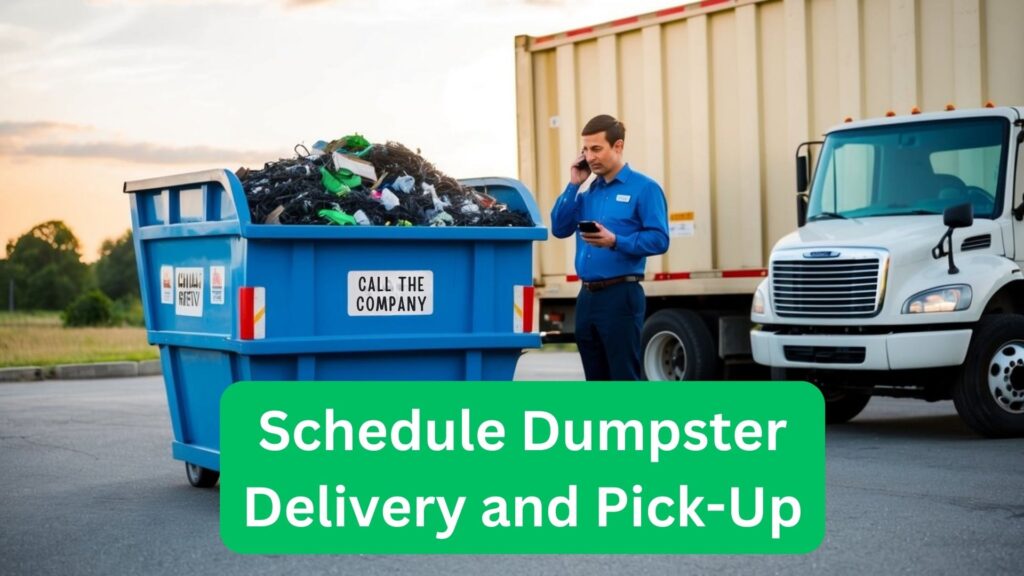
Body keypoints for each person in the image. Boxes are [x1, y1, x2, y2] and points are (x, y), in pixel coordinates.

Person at [550, 114, 670, 381]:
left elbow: (660, 239)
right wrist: (573, 184)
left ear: (618, 146)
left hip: (621, 295)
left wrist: (616, 241)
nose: (590, 157)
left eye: (596, 149)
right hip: (586, 297)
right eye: (585, 150)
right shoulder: (587, 193)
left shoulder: (645, 188)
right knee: (595, 380)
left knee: (622, 378)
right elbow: (559, 228)